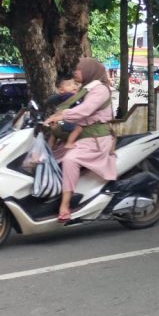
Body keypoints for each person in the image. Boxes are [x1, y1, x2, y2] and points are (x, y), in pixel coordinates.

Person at [45, 58, 116, 222]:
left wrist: (62, 115)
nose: (75, 73)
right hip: (84, 137)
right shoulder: (85, 89)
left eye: (79, 70)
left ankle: (65, 205)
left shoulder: (100, 90)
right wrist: (54, 118)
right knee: (50, 156)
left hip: (97, 139)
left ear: (89, 71)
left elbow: (84, 110)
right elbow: (70, 107)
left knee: (70, 159)